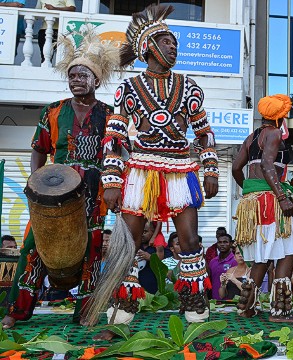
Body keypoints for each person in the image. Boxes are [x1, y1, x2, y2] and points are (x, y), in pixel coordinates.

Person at [96, 4, 219, 338]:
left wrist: (209, 169)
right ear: (149, 47)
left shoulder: (188, 86)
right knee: (128, 242)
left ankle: (195, 313)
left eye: (174, 42)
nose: (173, 46)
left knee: (190, 240)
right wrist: (111, 179)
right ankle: (119, 315)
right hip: (139, 169)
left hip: (180, 169)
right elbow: (116, 135)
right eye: (166, 41)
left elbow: (204, 132)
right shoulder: (130, 89)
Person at [1, 30, 119, 329]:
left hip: (93, 190)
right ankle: (16, 311)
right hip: (53, 187)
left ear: (96, 81)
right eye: (71, 76)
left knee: (91, 248)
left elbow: (116, 155)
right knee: (34, 244)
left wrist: (115, 188)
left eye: (81, 75)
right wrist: (34, 185)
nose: (75, 80)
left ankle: (86, 312)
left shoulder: (109, 114)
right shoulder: (52, 111)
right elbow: (40, 150)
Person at [232, 94, 293, 322]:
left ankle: (246, 306)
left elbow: (236, 168)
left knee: (262, 257)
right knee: (288, 251)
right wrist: (282, 197)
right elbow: (267, 165)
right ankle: (280, 310)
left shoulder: (251, 137)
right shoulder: (274, 133)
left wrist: (249, 189)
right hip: (271, 201)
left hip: (252, 201)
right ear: (280, 116)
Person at [137, 222, 172, 294]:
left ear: (153, 232)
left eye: (145, 232)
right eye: (140, 231)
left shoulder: (163, 248)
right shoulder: (136, 244)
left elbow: (167, 266)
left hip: (155, 289)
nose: (142, 234)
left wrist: (150, 258)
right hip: (137, 288)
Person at [209, 234, 237, 300]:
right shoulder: (213, 261)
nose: (222, 244)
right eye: (219, 242)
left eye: (225, 242)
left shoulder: (235, 261)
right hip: (214, 300)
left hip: (230, 301)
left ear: (230, 244)